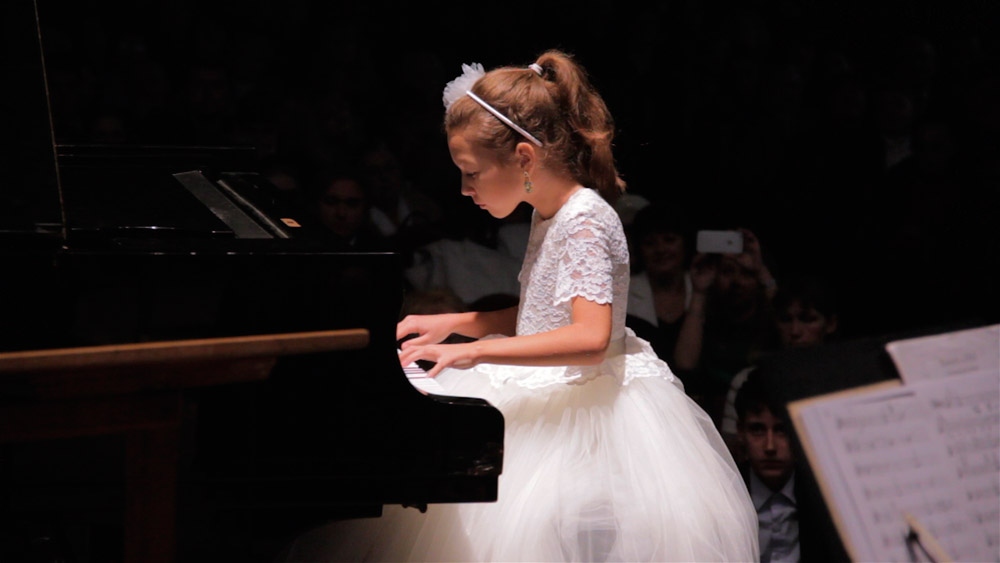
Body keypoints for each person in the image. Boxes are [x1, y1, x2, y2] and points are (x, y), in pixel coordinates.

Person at [281, 49, 757, 562]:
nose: (464, 190)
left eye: (471, 173)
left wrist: (472, 352)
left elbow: (590, 338)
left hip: (591, 413)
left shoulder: (585, 219)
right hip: (552, 390)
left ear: (525, 158)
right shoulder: (547, 213)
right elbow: (543, 312)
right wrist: (455, 322)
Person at [734, 369, 847, 563]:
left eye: (782, 430)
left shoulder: (825, 496)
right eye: (757, 430)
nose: (770, 446)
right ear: (741, 433)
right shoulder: (726, 494)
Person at [719, 273, 840, 455]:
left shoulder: (846, 382)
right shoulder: (747, 380)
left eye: (808, 319)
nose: (795, 331)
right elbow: (730, 453)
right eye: (786, 320)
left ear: (830, 324)